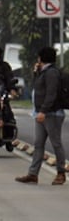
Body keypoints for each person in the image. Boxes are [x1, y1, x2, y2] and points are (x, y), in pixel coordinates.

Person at [16, 47, 66, 186]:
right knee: (38, 144)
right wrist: (36, 72)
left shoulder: (51, 73)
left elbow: (51, 93)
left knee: (56, 144)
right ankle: (33, 174)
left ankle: (61, 173)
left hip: (52, 114)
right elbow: (38, 88)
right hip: (42, 113)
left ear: (41, 58)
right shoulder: (43, 72)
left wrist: (43, 111)